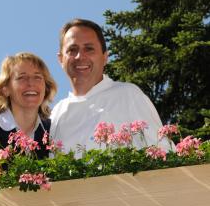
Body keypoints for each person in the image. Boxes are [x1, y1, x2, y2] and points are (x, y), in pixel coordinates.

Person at [50, 18, 174, 157]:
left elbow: (164, 153)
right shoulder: (56, 113)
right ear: (61, 59)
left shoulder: (127, 94)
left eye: (89, 49)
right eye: (72, 50)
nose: (80, 56)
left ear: (105, 57)